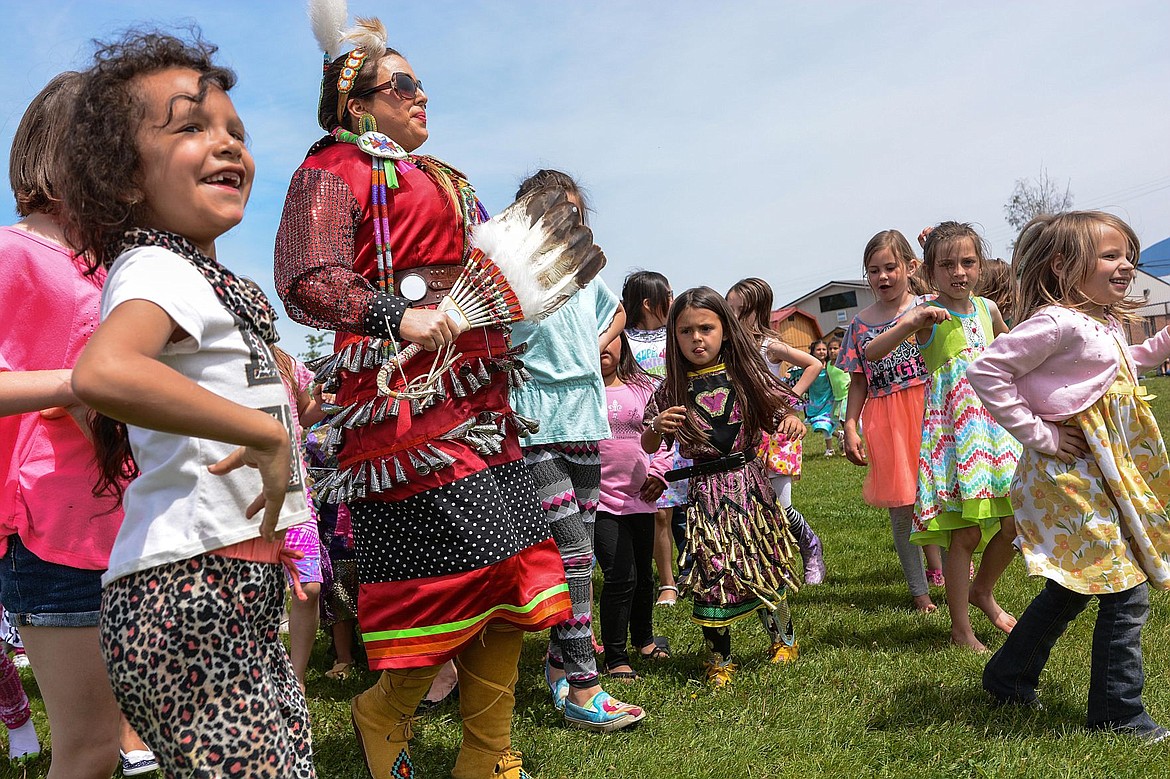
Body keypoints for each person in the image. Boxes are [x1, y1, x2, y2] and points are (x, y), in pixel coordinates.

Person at [273, 15, 571, 777]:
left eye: (419, 82)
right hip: (399, 400)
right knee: (444, 579)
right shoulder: (332, 169)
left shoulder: (445, 176)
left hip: (477, 397)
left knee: (514, 574)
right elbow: (308, 277)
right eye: (402, 84)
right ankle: (383, 712)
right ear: (356, 104)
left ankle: (487, 752)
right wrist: (395, 313)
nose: (421, 94)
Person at [62, 31, 313, 776]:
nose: (227, 144)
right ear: (124, 176)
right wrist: (258, 434)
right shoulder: (159, 266)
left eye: (236, 130)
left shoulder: (203, 278)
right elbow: (102, 371)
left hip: (228, 581)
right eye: (191, 128)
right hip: (187, 591)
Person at [0, 70, 157, 779]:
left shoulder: (112, 265)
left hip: (125, 525)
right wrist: (74, 384)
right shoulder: (15, 254)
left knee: (127, 728)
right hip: (55, 537)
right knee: (89, 746)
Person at [970, 211, 1170, 740]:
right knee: (1126, 591)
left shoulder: (1101, 322)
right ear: (1063, 265)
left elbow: (1127, 361)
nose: (1126, 265)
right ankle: (1118, 713)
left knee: (1073, 589)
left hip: (1102, 476)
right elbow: (986, 368)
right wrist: (1043, 436)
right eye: (1110, 255)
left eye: (1128, 254)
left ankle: (1008, 676)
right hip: (1069, 478)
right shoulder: (1056, 321)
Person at [507, 170, 644, 732]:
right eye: (550, 212)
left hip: (585, 422)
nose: (564, 222)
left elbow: (618, 312)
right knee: (573, 553)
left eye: (572, 212)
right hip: (534, 423)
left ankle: (559, 661)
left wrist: (596, 345)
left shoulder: (588, 280)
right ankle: (586, 684)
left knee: (581, 548)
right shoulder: (509, 274)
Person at [865, 222, 1020, 651]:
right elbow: (872, 352)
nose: (959, 272)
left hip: (997, 432)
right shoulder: (927, 314)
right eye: (947, 264)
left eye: (968, 262)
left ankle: (982, 591)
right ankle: (960, 629)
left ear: (981, 265)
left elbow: (1015, 350)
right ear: (930, 271)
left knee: (1015, 523)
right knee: (965, 535)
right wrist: (911, 320)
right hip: (955, 437)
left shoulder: (988, 310)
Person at [642, 287, 803, 686]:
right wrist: (655, 428)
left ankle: (783, 639)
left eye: (706, 328)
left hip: (751, 485)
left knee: (765, 560)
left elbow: (783, 411)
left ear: (726, 331)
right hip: (706, 494)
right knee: (713, 572)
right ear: (673, 336)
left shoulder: (747, 376)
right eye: (685, 331)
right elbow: (648, 444)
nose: (697, 338)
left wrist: (793, 422)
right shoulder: (669, 390)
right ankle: (719, 660)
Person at [837, 230, 940, 613]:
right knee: (903, 507)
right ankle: (919, 591)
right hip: (887, 419)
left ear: (910, 267)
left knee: (941, 496)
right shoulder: (860, 325)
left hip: (931, 410)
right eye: (873, 270)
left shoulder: (930, 306)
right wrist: (850, 426)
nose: (883, 277)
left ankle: (947, 566)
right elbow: (858, 380)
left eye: (890, 268)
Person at [725, 278, 826, 584]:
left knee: (781, 508)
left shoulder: (768, 346)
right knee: (751, 505)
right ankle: (767, 567)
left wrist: (787, 401)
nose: (734, 316)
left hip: (775, 436)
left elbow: (813, 364)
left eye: (740, 310)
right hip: (741, 437)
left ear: (759, 311)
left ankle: (809, 544)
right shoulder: (726, 347)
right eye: (729, 308)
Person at [595, 331, 673, 681]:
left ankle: (644, 640)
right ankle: (615, 656)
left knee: (643, 575)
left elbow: (667, 437)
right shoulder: (581, 391)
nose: (604, 348)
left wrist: (659, 472)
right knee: (620, 576)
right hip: (599, 503)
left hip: (642, 499)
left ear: (622, 343)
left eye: (610, 339)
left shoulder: (645, 387)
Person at [622, 271, 687, 604]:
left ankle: (682, 575)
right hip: (640, 429)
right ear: (649, 303)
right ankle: (658, 580)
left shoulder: (676, 335)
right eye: (669, 295)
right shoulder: (623, 338)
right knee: (654, 508)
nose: (673, 302)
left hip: (679, 428)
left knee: (677, 507)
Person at [272, 344, 327, 690]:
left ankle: (297, 678)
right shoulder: (215, 354)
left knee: (309, 587)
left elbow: (305, 413)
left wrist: (321, 398)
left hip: (295, 495)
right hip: (243, 496)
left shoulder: (287, 361)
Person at [791, 339, 843, 458]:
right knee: (817, 424)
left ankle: (830, 449)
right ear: (813, 352)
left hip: (828, 399)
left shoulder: (830, 366)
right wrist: (790, 375)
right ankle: (839, 435)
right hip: (815, 401)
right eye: (818, 350)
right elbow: (797, 372)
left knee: (824, 424)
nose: (821, 352)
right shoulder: (809, 366)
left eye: (824, 349)